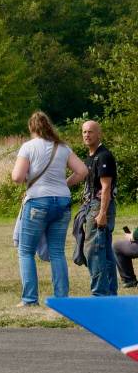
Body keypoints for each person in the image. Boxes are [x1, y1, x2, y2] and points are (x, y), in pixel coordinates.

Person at [11, 112, 88, 307]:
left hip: (37, 201)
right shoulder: (62, 147)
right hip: (62, 201)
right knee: (57, 251)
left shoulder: (28, 147)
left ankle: (29, 299)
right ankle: (62, 298)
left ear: (32, 128)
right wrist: (64, 184)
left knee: (26, 251)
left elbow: (17, 177)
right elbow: (82, 171)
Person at [80, 120, 118, 296]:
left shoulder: (103, 156)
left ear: (99, 134)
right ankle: (110, 294)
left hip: (100, 206)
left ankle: (99, 294)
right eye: (84, 132)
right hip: (92, 206)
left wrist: (102, 213)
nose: (87, 135)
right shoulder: (90, 156)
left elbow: (106, 188)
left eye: (91, 132)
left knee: (93, 250)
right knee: (105, 253)